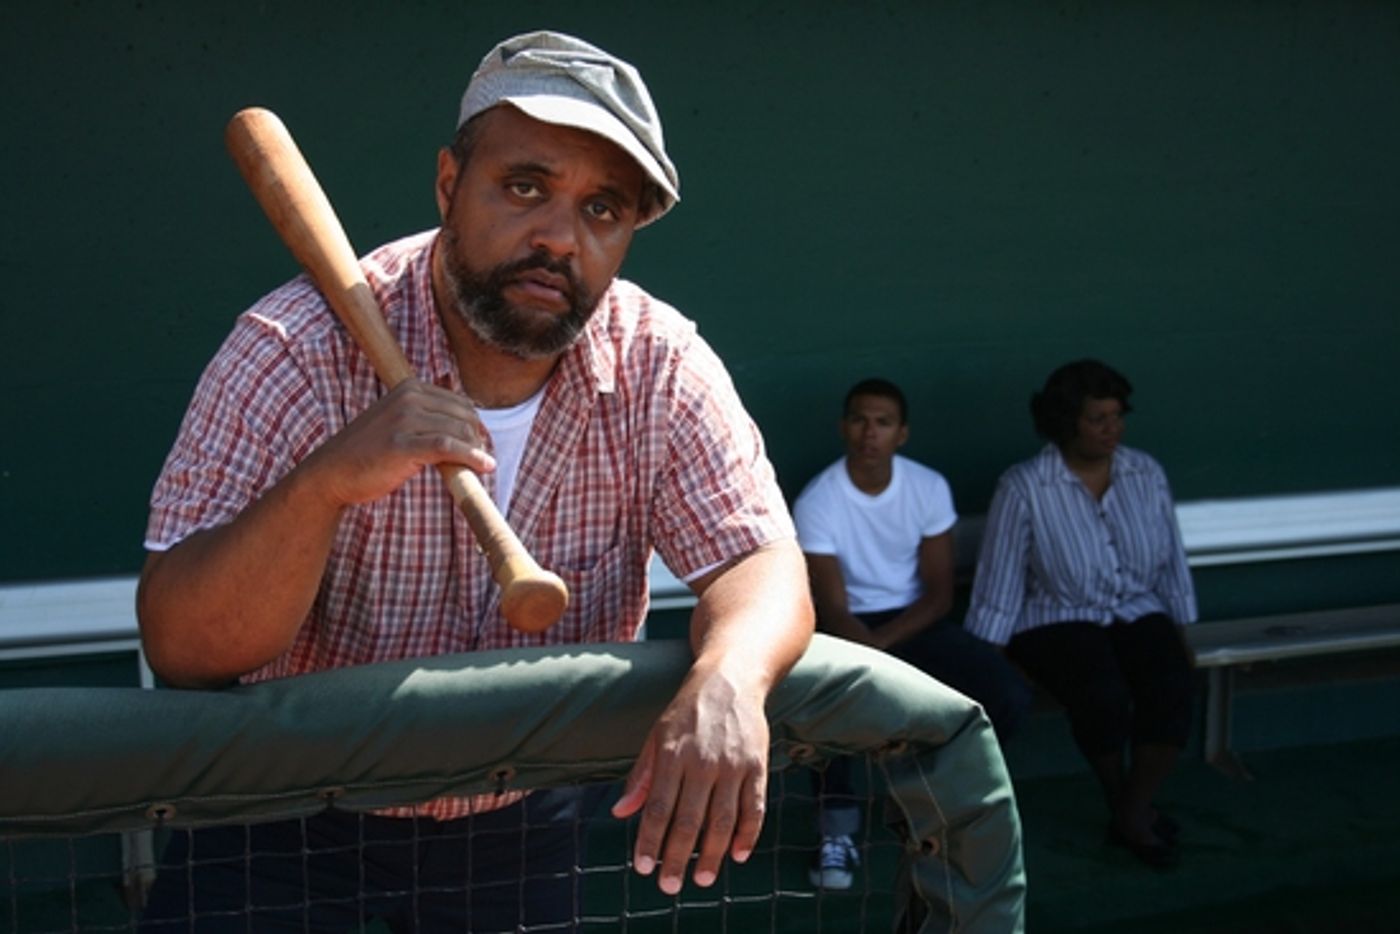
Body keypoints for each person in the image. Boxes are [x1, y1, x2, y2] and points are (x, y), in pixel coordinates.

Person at [135, 30, 813, 930]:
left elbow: (760, 563)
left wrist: (730, 673)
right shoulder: (295, 349)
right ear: (450, 184)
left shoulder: (657, 361)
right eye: (525, 186)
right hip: (277, 822)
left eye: (602, 209)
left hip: (518, 823)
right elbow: (181, 646)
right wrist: (323, 485)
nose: (559, 238)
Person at [791, 378, 1031, 889]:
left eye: (882, 422)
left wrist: (888, 653)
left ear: (901, 433)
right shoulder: (820, 499)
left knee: (1005, 694)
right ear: (843, 427)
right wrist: (875, 658)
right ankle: (837, 834)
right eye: (859, 419)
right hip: (850, 630)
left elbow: (939, 594)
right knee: (824, 707)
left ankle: (950, 807)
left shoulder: (927, 486)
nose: (868, 432)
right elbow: (833, 609)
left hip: (914, 623)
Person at [965, 359, 1197, 870]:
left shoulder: (1145, 473)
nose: (1111, 428)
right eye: (1098, 418)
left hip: (1135, 606)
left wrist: (1181, 628)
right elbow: (1000, 578)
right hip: (1054, 615)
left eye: (1117, 416)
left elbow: (1171, 560)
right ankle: (1127, 807)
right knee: (1102, 694)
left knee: (1172, 684)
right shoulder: (1025, 486)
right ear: (1066, 422)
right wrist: (991, 656)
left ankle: (1132, 809)